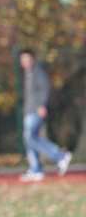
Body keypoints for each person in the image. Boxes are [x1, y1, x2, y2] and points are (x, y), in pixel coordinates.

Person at [19, 49, 72, 181]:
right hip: (28, 111)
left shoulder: (38, 72)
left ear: (32, 59)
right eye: (22, 59)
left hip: (35, 111)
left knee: (30, 138)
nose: (25, 62)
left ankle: (60, 155)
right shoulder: (27, 74)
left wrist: (42, 105)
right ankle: (36, 170)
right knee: (29, 139)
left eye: (27, 59)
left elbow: (45, 89)